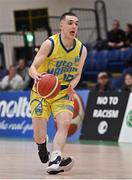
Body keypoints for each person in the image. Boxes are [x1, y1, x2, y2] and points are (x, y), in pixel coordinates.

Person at [29, 12, 87, 174]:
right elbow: (32, 67)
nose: (74, 26)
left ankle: (56, 157)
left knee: (64, 123)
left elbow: (77, 75)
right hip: (41, 92)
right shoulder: (50, 44)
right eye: (70, 23)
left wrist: (72, 86)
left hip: (63, 92)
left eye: (76, 23)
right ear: (61, 26)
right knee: (39, 133)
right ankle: (41, 144)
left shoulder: (82, 50)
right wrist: (36, 75)